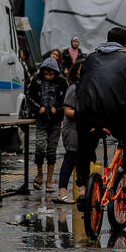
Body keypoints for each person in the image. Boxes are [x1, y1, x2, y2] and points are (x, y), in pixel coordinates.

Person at [75, 26, 126, 203]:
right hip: (116, 116)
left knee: (84, 145)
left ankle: (83, 188)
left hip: (86, 114)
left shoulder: (90, 59)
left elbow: (81, 86)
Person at [25, 56, 68, 190]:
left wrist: (57, 107)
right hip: (41, 120)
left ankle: (49, 180)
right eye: (46, 73)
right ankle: (39, 175)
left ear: (56, 72)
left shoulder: (62, 82)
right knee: (40, 147)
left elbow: (67, 98)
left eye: (51, 73)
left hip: (55, 121)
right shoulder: (36, 81)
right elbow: (29, 95)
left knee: (51, 151)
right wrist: (39, 108)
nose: (48, 76)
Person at [55, 58, 83, 204]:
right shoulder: (73, 89)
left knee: (81, 161)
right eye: (80, 70)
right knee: (70, 160)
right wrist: (83, 115)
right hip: (72, 130)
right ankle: (62, 193)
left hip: (82, 129)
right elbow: (67, 111)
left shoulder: (87, 88)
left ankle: (83, 193)